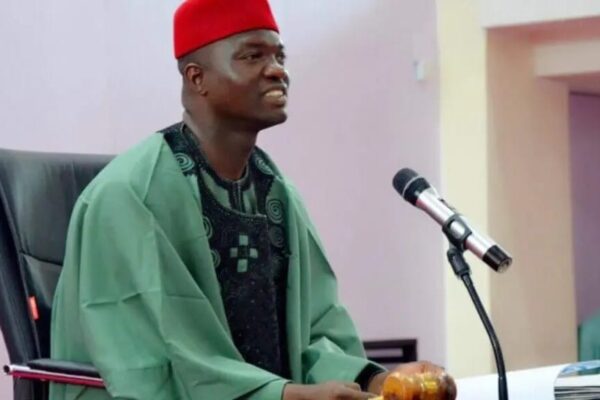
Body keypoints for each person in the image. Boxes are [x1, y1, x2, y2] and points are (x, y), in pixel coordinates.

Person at [50, 0, 454, 399]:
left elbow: (315, 332)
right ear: (197, 78)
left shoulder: (275, 192)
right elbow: (160, 362)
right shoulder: (131, 196)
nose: (278, 70)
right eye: (253, 56)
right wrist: (289, 396)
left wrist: (380, 383)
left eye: (280, 56)